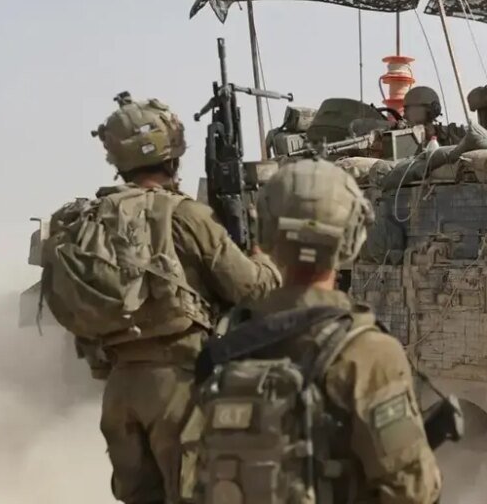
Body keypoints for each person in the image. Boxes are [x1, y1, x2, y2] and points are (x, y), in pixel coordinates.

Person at [40, 92, 281, 504]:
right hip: (177, 386)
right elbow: (253, 290)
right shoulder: (185, 215)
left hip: (120, 390)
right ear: (171, 152)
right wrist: (265, 257)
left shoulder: (91, 219)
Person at [186, 158, 442, 504]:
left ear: (266, 235)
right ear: (351, 240)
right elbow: (412, 490)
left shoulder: (221, 351)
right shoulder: (368, 353)